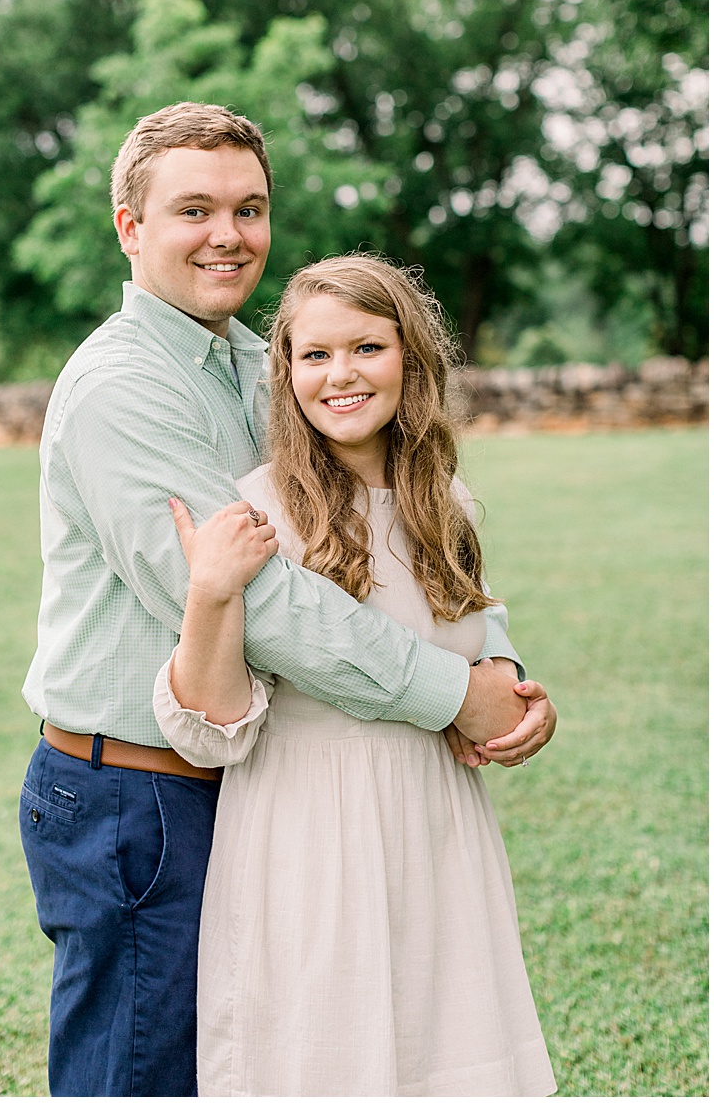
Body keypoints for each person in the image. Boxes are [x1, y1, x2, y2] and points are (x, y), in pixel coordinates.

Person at [17, 102, 557, 1096]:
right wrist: (454, 692)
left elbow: (400, 522)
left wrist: (497, 662)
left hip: (255, 783)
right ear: (131, 226)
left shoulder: (269, 363)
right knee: (142, 1076)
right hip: (136, 791)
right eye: (194, 210)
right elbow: (264, 604)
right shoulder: (122, 388)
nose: (227, 234)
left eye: (249, 207)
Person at [151, 254, 557, 1095]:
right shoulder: (259, 509)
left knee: (443, 1050)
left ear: (410, 356)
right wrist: (213, 589)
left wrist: (517, 692)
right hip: (309, 829)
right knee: (328, 1060)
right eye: (315, 354)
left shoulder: (445, 501)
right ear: (285, 370)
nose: (341, 375)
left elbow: (476, 629)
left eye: (367, 347)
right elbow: (215, 715)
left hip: (436, 820)